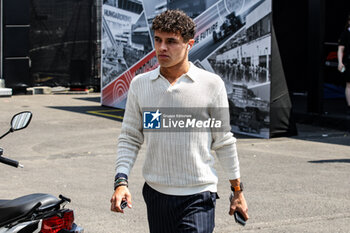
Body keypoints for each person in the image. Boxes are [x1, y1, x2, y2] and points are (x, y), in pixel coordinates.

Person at [110, 10, 249, 233]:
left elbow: (223, 141)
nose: (162, 47)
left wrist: (237, 191)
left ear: (189, 44)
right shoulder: (140, 85)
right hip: (156, 194)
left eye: (171, 41)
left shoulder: (211, 84)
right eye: (158, 40)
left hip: (199, 194)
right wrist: (121, 181)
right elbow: (130, 137)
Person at [337, 12, 350, 114]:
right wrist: (340, 62)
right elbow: (341, 49)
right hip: (349, 61)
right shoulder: (346, 33)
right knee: (349, 84)